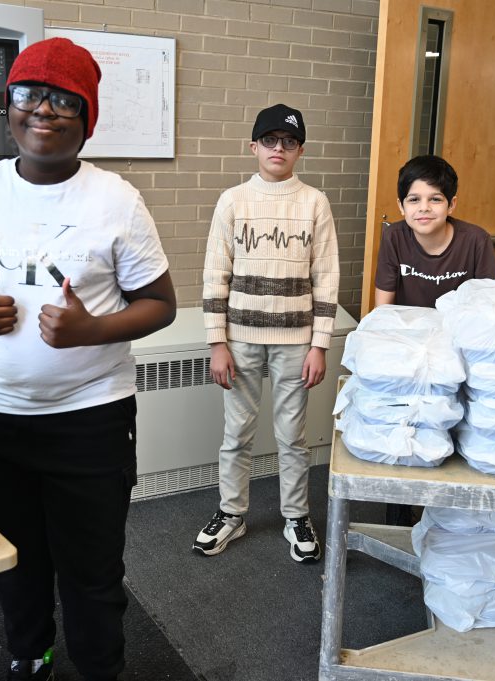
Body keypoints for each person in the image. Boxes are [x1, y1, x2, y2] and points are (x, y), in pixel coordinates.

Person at [0, 37, 176, 681]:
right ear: (8, 107)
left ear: (86, 120)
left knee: (92, 568)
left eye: (65, 100)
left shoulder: (116, 198)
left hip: (90, 418)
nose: (44, 110)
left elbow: (160, 304)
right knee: (15, 559)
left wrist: (91, 329)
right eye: (28, 94)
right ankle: (30, 655)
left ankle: (99, 670)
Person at [194, 104, 340, 563]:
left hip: (296, 342)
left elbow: (327, 277)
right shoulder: (232, 200)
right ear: (254, 146)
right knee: (236, 433)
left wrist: (319, 345)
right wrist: (218, 342)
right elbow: (215, 274)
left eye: (289, 142)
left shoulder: (315, 202)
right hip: (240, 339)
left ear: (300, 150)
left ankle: (296, 516)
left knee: (292, 437)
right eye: (270, 140)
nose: (279, 149)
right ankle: (231, 513)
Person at [374, 154, 495, 526]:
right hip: (411, 351)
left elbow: (487, 310)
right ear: (401, 205)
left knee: (455, 432)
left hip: (459, 351)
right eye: (414, 199)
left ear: (452, 204)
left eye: (435, 199)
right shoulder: (394, 237)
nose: (423, 208)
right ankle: (399, 514)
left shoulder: (475, 240)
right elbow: (384, 310)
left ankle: (452, 517)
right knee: (406, 430)